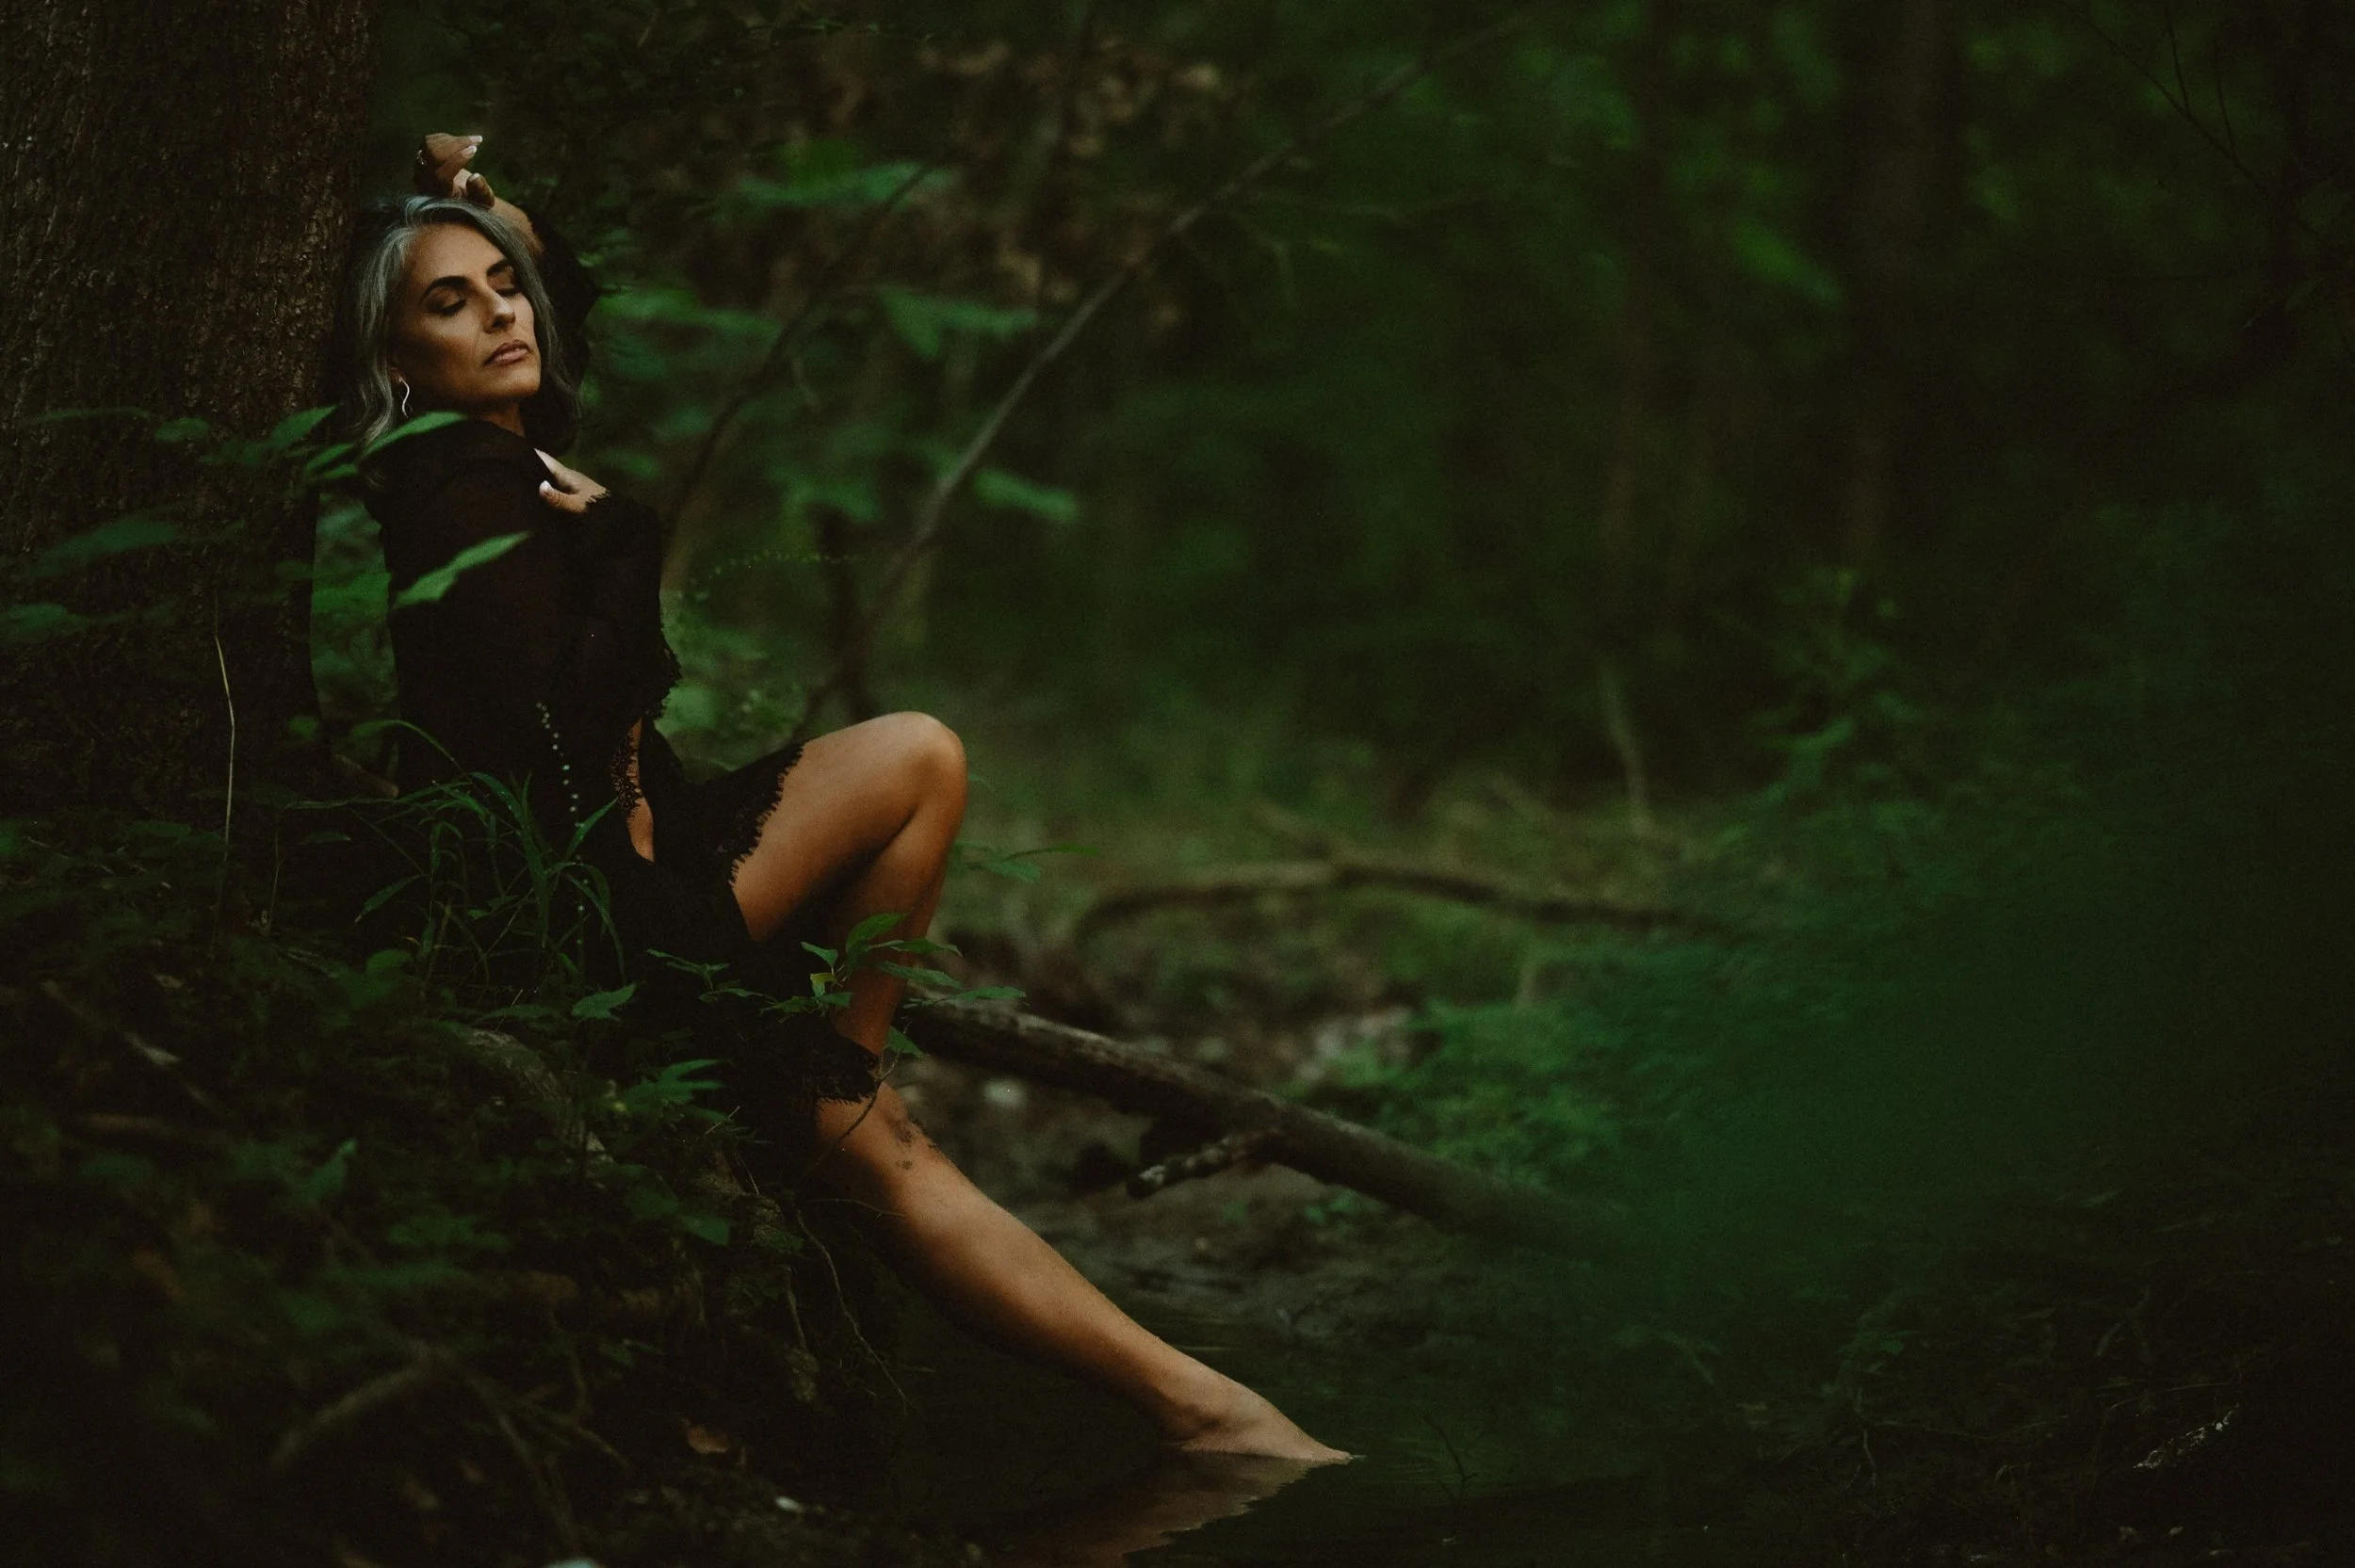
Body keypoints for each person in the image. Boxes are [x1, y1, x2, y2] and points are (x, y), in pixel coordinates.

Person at [336, 132, 1345, 1464]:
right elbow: (568, 713)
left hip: (651, 863)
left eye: (500, 286)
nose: (502, 313)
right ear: (397, 360)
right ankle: (1212, 1415)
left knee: (920, 754)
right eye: (447, 304)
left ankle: (849, 1078)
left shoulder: (505, 437)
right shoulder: (452, 481)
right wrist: (629, 542)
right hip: (611, 922)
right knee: (893, 1147)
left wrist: (476, 205)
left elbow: (546, 293)